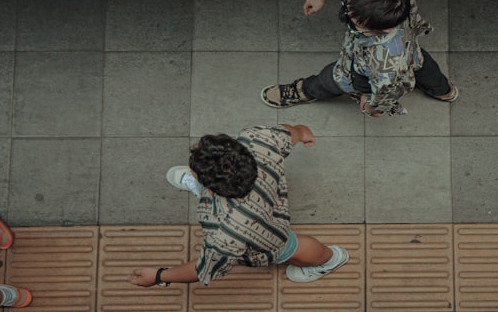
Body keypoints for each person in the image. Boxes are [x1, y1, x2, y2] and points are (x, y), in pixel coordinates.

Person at [127, 124, 349, 289]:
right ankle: (331, 258)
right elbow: (289, 133)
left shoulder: (224, 234)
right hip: (270, 204)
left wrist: (159, 276)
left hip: (262, 235)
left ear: (212, 191)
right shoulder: (255, 139)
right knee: (291, 243)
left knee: (288, 247)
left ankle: (329, 260)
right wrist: (302, 132)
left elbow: (203, 268)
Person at [261, 0, 458, 117]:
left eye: (356, 21)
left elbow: (384, 96)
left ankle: (305, 90)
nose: (347, 13)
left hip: (366, 70)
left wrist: (368, 106)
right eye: (349, 5)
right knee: (420, 61)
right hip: (409, 48)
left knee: (331, 79)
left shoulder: (387, 63)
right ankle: (443, 90)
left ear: (384, 29)